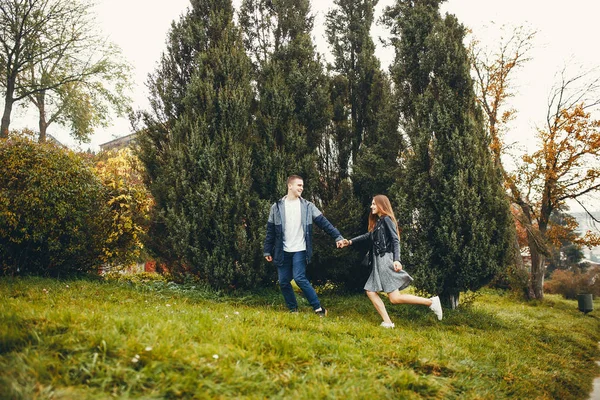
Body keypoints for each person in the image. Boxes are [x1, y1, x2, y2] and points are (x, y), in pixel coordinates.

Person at [341, 195, 443, 327]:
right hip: (378, 261)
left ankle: (430, 302)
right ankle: (389, 321)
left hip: (385, 259)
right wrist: (349, 242)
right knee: (380, 294)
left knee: (388, 296)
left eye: (374, 204)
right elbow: (368, 235)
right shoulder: (379, 222)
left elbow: (395, 240)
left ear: (381, 205)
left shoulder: (386, 220)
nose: (371, 206)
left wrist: (397, 260)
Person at [264, 175, 345, 316]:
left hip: (300, 249)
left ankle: (318, 309)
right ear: (290, 186)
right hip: (282, 251)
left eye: (302, 185)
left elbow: (324, 222)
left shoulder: (308, 206)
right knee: (283, 281)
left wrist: (337, 236)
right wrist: (267, 251)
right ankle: (293, 310)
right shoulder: (276, 207)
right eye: (299, 185)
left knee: (299, 278)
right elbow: (270, 231)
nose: (302, 188)